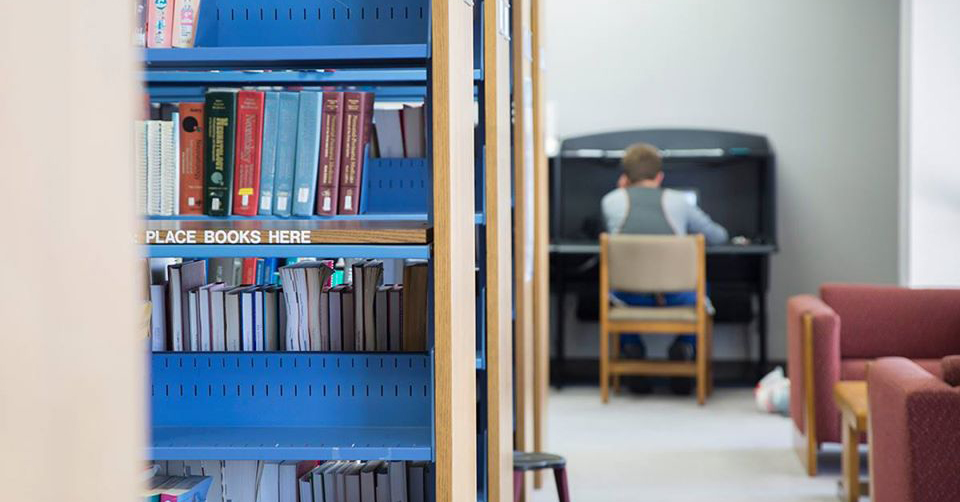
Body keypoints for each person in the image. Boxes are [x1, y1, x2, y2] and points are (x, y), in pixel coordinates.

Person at [601, 142, 728, 393]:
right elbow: (718, 236)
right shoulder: (679, 201)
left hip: (628, 299)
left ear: (625, 178)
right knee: (703, 286)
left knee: (613, 290)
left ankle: (631, 349)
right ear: (660, 176)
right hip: (677, 298)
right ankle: (685, 347)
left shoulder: (611, 201)